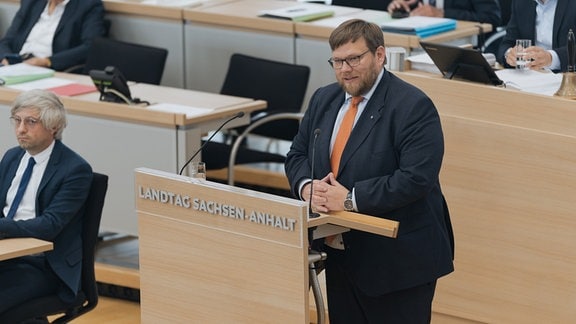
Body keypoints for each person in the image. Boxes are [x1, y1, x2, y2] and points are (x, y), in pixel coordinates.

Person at [285, 19, 454, 323]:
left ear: (379, 55)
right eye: (337, 61)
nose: (345, 69)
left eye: (354, 58)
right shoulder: (324, 98)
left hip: (398, 262)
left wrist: (349, 199)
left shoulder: (413, 106)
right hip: (341, 252)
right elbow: (297, 154)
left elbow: (416, 178)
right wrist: (307, 186)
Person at [0, 89, 93, 316]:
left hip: (43, 265)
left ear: (54, 127)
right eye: (17, 120)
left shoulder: (75, 169)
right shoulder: (12, 156)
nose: (21, 129)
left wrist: (2, 227)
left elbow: (49, 225)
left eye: (31, 122)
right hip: (7, 255)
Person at [0, 0, 106, 71]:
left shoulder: (88, 5)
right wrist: (6, 58)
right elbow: (7, 40)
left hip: (48, 68)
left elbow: (90, 47)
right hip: (16, 65)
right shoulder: (31, 2)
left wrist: (48, 61)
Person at [497, 0, 576, 72]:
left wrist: (551, 58)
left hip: (567, 78)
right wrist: (509, 54)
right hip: (531, 77)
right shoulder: (521, 2)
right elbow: (506, 44)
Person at [377, 0, 501, 29]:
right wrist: (398, 6)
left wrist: (443, 14)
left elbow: (492, 18)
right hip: (417, 35)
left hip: (461, 42)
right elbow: (411, 5)